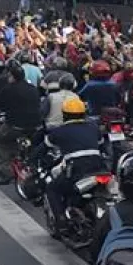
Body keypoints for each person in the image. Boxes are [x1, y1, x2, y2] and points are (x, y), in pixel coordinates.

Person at [42, 97, 108, 229]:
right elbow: (102, 146)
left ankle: (61, 221)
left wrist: (31, 160)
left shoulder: (59, 131)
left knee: (52, 189)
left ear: (64, 115)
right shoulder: (93, 128)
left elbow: (43, 147)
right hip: (100, 168)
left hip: (77, 171)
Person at [0, 63, 42, 184]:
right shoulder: (32, 88)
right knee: (13, 139)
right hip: (34, 125)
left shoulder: (9, 89)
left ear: (13, 77)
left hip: (16, 124)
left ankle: (7, 171)